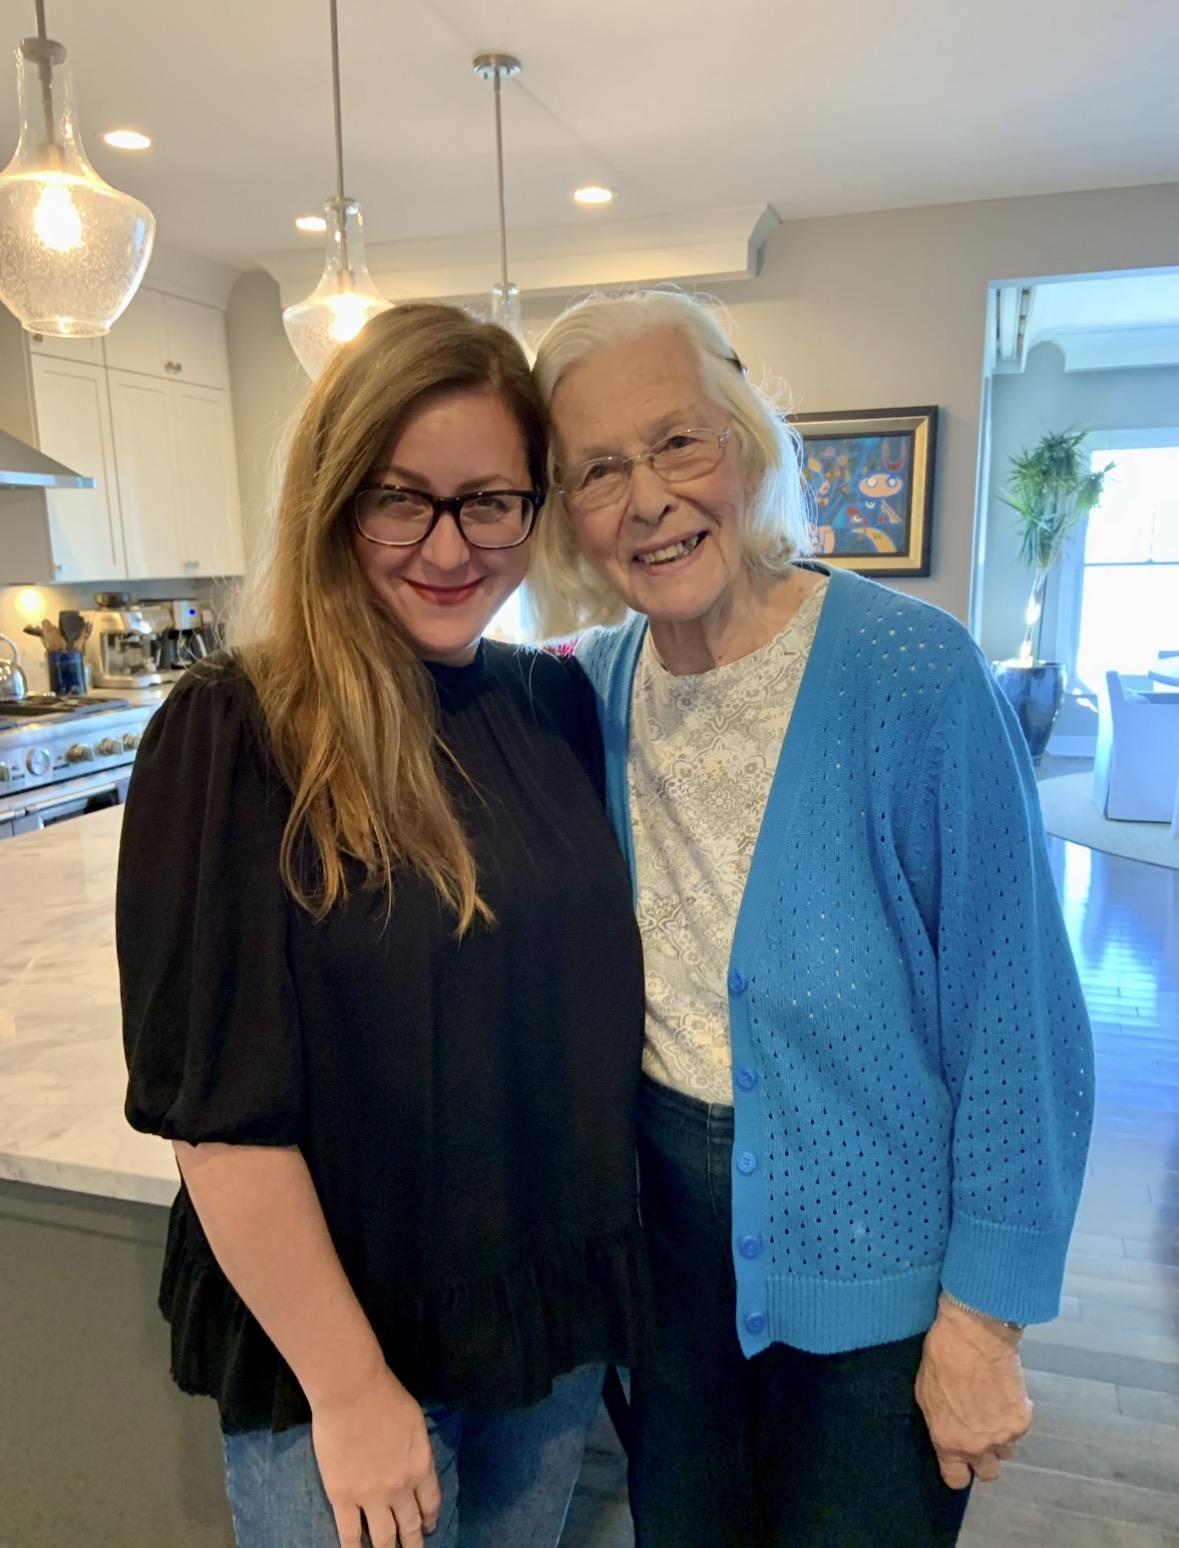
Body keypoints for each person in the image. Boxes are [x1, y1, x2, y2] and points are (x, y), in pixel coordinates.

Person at [526, 289, 1095, 1548]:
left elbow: (1022, 1025)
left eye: (680, 441)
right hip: (668, 1274)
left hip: (878, 1280)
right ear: (568, 515)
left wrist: (983, 1324)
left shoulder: (913, 670)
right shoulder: (594, 691)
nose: (651, 499)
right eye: (599, 471)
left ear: (745, 439)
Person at [118, 303, 648, 1548]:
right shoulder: (234, 735)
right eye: (398, 498)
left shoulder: (553, 706)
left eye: (490, 501)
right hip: (340, 1357)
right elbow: (219, 1117)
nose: (449, 547)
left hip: (543, 1322)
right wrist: (352, 1392)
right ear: (332, 496)